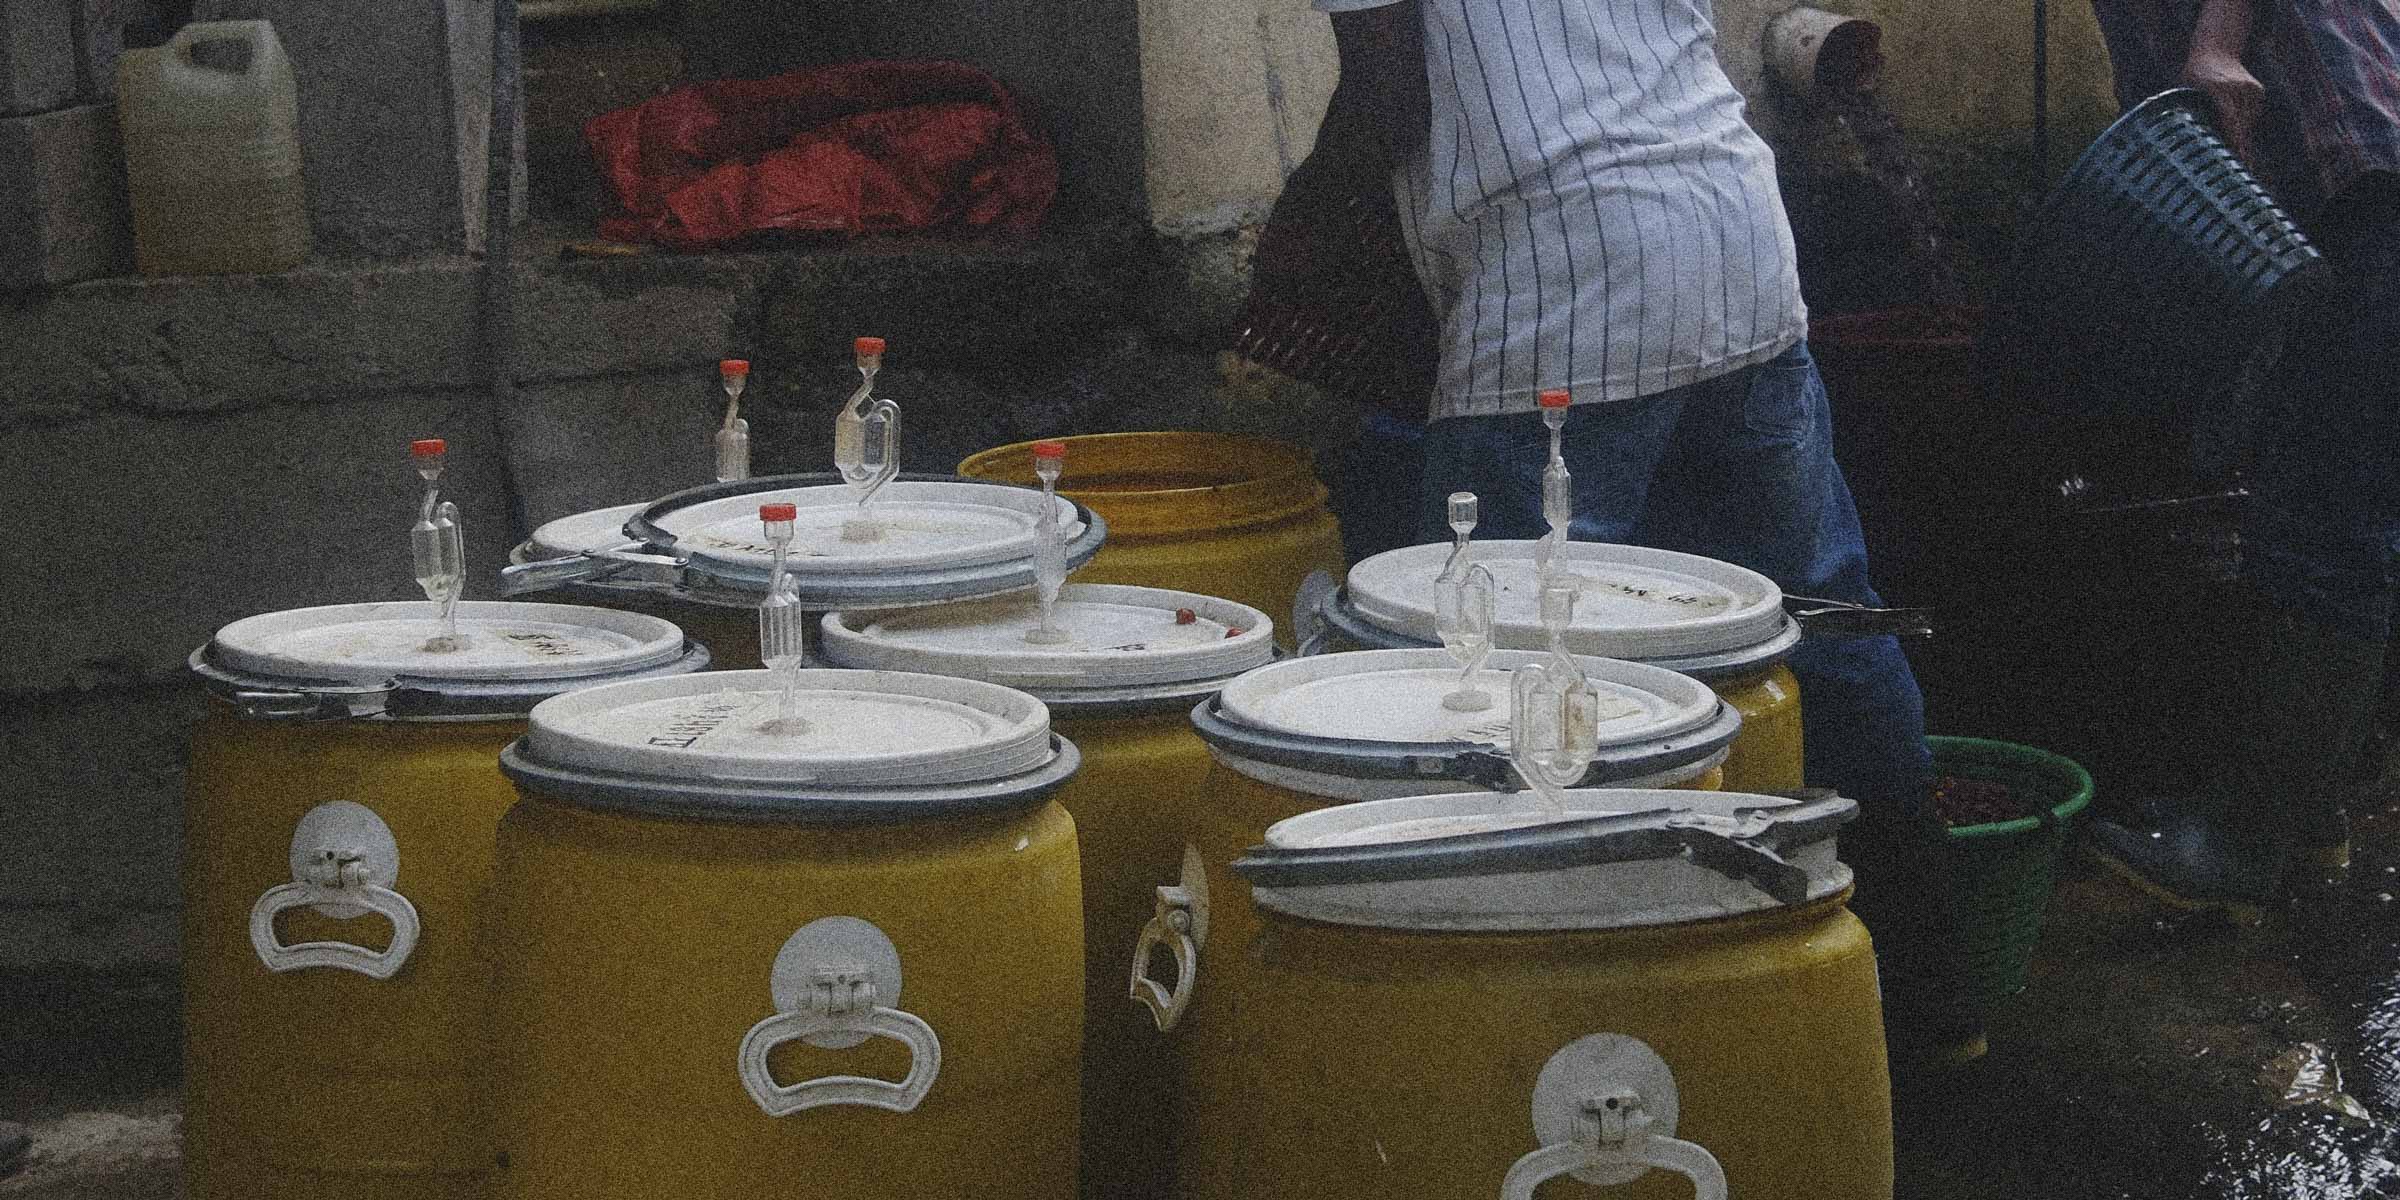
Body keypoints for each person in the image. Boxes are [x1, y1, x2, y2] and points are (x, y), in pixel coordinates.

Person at [1275, 0, 1933, 829]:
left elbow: (1392, 95)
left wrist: (1305, 214)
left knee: (1503, 665)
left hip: (1564, 296)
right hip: (1735, 239)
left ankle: (1559, 918)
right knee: (1823, 620)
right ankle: (1922, 923)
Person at [2083, 0, 2400, 917]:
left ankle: (2240, 849)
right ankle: (2306, 809)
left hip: (2360, 177)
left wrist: (2216, 43)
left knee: (2325, 517)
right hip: (2333, 185)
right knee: (2326, 497)